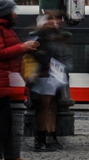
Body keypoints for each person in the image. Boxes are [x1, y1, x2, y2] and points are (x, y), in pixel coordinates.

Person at [0, 0, 37, 160]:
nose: (16, 14)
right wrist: (22, 47)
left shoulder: (8, 29)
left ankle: (10, 155)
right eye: (13, 11)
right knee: (2, 120)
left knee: (8, 122)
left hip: (9, 81)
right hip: (2, 82)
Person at [28, 13, 71, 152]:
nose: (54, 22)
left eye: (55, 19)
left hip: (54, 75)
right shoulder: (39, 36)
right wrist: (46, 64)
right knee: (44, 108)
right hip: (43, 75)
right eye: (50, 20)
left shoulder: (56, 37)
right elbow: (34, 54)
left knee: (52, 106)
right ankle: (40, 140)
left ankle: (50, 135)